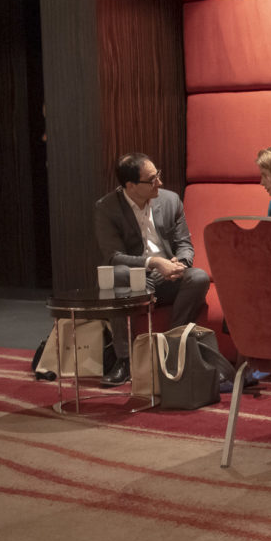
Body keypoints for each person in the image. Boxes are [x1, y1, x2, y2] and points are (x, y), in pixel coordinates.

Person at [93, 152, 210, 386]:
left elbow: (184, 244)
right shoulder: (107, 208)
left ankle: (172, 347)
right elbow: (114, 256)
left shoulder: (170, 200)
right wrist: (155, 262)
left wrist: (181, 263)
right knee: (114, 276)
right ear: (131, 186)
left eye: (158, 175)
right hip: (135, 276)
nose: (160, 182)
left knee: (198, 277)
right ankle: (125, 360)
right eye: (152, 179)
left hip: (168, 278)